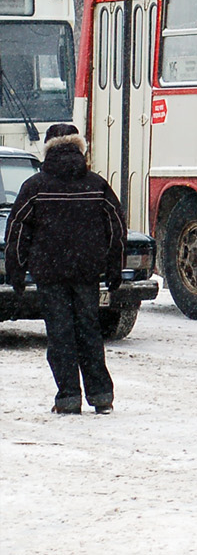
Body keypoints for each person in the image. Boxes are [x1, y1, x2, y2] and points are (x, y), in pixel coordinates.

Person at [4, 123, 125, 415]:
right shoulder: (96, 185)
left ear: (47, 149)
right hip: (86, 273)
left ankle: (69, 397)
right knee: (88, 331)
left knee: (60, 335)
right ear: (79, 149)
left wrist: (16, 272)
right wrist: (114, 268)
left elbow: (17, 231)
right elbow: (116, 227)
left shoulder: (34, 186)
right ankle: (101, 395)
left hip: (50, 274)